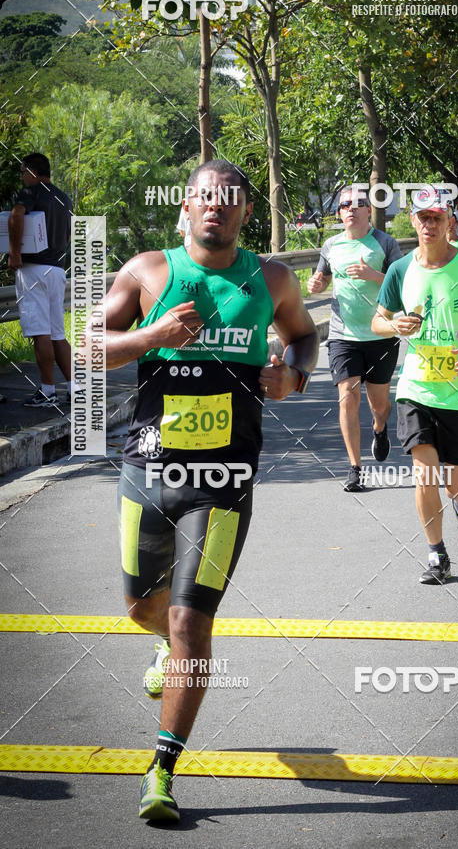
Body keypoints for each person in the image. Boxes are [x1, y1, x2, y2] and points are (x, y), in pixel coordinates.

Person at [103, 159, 318, 822]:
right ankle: (162, 641)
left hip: (224, 481)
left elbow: (305, 337)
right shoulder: (148, 271)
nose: (215, 208)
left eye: (229, 200)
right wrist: (154, 336)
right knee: (144, 605)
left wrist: (295, 374)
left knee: (192, 620)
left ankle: (161, 770)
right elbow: (91, 344)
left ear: (245, 212)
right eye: (204, 198)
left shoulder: (272, 278)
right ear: (185, 207)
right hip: (149, 472)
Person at [372, 188, 458, 585]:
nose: (429, 224)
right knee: (424, 472)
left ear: (449, 223)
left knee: (456, 482)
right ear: (413, 220)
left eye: (436, 218)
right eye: (422, 217)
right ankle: (437, 555)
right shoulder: (400, 269)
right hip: (417, 387)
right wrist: (394, 326)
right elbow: (378, 321)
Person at [307, 185, 403, 491]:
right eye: (345, 205)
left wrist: (373, 275)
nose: (350, 208)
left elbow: (404, 286)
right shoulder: (331, 245)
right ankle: (355, 468)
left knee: (379, 405)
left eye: (357, 204)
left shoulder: (385, 243)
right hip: (342, 335)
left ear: (368, 211)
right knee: (348, 396)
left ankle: (379, 428)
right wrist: (316, 285)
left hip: (380, 332)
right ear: (339, 213)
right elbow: (321, 280)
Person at [7, 153, 74, 406]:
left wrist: (14, 253)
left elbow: (16, 215)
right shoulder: (63, 197)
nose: (22, 176)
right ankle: (74, 388)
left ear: (33, 172)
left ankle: (47, 391)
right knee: (57, 333)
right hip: (57, 269)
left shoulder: (30, 193)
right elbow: (69, 233)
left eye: (23, 171)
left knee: (40, 333)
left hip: (33, 267)